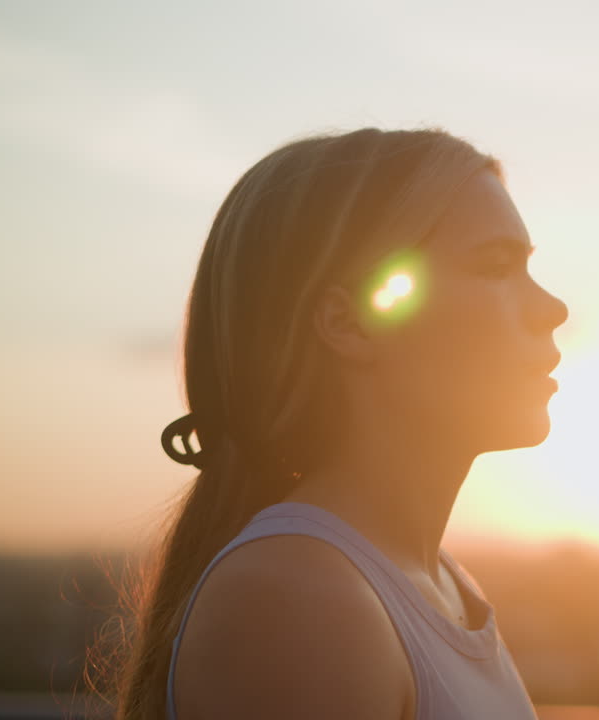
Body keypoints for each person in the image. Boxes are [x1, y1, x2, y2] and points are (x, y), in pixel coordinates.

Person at [111, 128, 569, 720]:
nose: (552, 309)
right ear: (349, 324)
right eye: (494, 267)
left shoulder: (439, 585)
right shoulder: (296, 601)